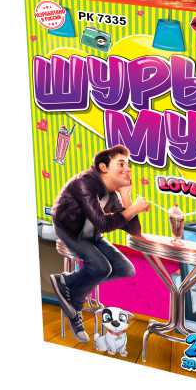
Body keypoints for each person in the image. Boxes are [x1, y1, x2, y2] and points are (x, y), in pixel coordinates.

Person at [50, 145, 149, 342]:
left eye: (128, 165)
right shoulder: (85, 183)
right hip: (70, 229)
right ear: (104, 167)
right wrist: (133, 210)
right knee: (101, 267)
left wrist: (127, 197)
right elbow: (103, 223)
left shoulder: (112, 195)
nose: (128, 169)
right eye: (121, 164)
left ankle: (68, 283)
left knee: (126, 269)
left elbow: (134, 231)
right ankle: (75, 302)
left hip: (92, 235)